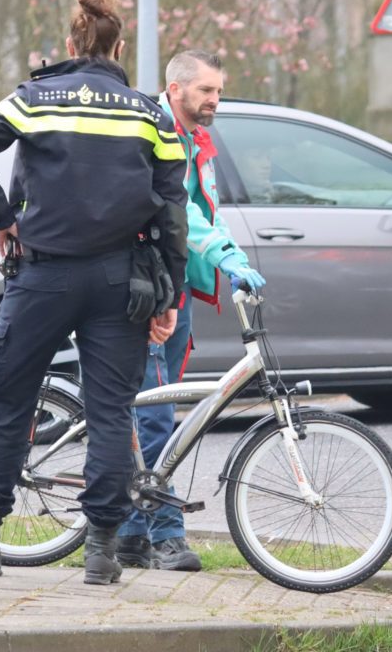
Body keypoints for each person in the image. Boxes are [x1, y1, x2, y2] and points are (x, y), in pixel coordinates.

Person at [0, 0, 189, 585]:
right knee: (109, 411)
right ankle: (101, 551)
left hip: (43, 273)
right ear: (118, 44)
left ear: (71, 43)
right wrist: (171, 293)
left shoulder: (35, 98)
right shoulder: (149, 112)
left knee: (4, 399)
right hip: (120, 278)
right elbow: (173, 208)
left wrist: (4, 219)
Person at [114, 51, 266, 573]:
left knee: (153, 410)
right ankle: (166, 536)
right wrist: (222, 255)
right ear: (174, 88)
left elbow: (203, 212)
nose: (214, 101)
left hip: (175, 287)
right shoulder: (155, 133)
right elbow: (176, 211)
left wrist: (227, 254)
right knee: (154, 415)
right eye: (206, 91)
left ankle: (131, 534)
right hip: (152, 290)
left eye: (218, 91)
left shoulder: (197, 138)